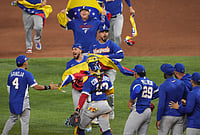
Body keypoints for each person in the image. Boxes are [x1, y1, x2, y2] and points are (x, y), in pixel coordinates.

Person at [1, 55, 58, 135]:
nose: (27, 62)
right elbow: (36, 86)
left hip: (12, 101)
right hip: (23, 102)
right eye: (26, 61)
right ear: (24, 63)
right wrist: (48, 87)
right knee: (25, 122)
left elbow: (9, 89)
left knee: (12, 118)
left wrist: (14, 98)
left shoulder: (11, 74)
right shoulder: (27, 74)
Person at [89, 24, 124, 119]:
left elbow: (121, 55)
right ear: (99, 33)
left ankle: (111, 110)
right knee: (95, 90)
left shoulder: (111, 44)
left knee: (109, 90)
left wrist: (109, 57)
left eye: (106, 32)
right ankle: (96, 112)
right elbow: (89, 58)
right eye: (102, 32)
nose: (104, 34)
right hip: (97, 72)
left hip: (109, 71)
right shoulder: (93, 45)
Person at [73, 55, 113, 135]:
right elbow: (110, 92)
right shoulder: (106, 77)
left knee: (80, 129)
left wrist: (78, 109)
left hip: (93, 107)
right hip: (104, 106)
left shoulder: (88, 79)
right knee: (106, 131)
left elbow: (84, 96)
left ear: (89, 67)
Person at [123, 64, 159, 135]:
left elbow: (137, 90)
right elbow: (158, 92)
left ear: (135, 73)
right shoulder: (151, 82)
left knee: (128, 133)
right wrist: (148, 98)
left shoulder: (137, 81)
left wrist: (130, 101)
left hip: (138, 110)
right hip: (148, 112)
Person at [156, 63, 188, 135]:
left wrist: (158, 119)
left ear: (165, 73)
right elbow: (187, 96)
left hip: (166, 116)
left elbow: (161, 104)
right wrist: (183, 102)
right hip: (179, 116)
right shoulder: (181, 83)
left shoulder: (163, 86)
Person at [174, 63, 193, 133]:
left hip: (188, 110)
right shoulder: (191, 78)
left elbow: (189, 94)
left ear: (175, 73)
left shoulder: (182, 83)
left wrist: (185, 101)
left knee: (178, 132)